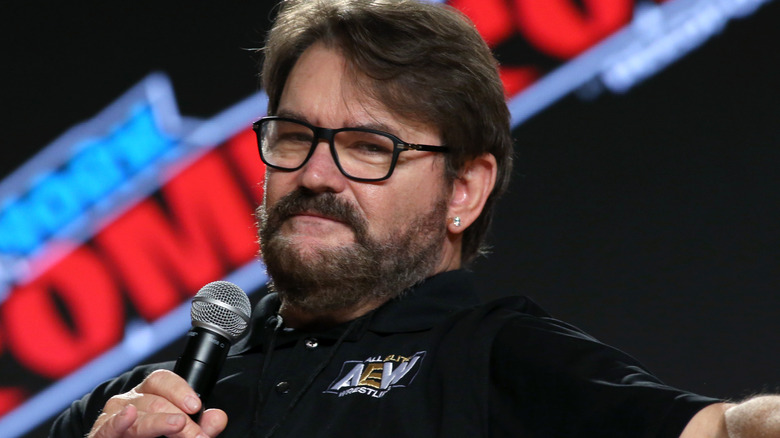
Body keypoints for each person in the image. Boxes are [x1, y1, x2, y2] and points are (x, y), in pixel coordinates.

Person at [51, 0, 779, 437]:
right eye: (296, 136)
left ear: (464, 190)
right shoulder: (142, 401)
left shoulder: (494, 357)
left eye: (370, 147)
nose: (313, 173)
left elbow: (722, 430)